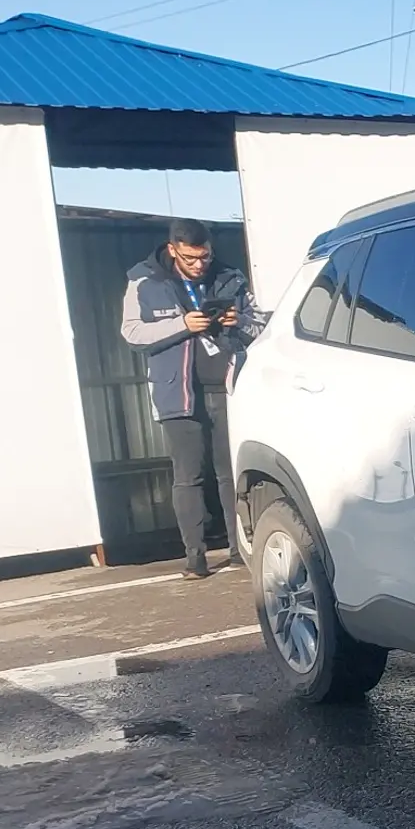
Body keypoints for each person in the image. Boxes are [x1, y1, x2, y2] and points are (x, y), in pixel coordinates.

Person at [121, 218, 262, 579]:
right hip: (176, 392)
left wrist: (237, 322)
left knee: (231, 473)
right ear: (173, 250)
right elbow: (131, 333)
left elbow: (261, 326)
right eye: (190, 258)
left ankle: (239, 551)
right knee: (188, 476)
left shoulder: (230, 277)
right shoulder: (142, 280)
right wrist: (183, 325)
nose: (199, 265)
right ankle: (195, 559)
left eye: (205, 257)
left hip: (226, 388)